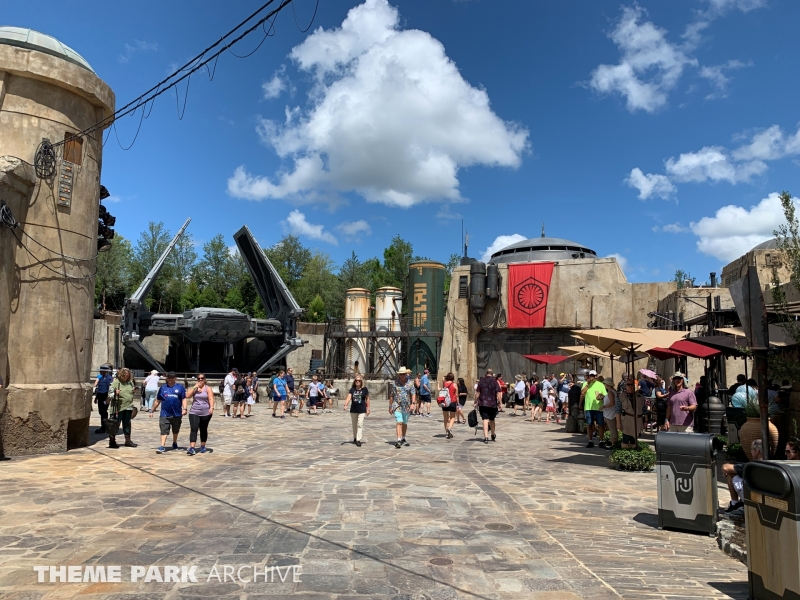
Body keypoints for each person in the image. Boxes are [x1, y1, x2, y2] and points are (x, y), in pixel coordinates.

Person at [150, 371, 187, 454]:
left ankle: (174, 442)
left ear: (175, 378)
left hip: (177, 413)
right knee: (164, 430)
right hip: (165, 413)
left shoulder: (180, 387)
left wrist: (185, 409)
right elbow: (158, 400)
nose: (170, 379)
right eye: (169, 377)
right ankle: (162, 446)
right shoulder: (163, 388)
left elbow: (184, 398)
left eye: (172, 378)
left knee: (175, 429)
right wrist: (152, 410)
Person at [722, 439, 763, 512]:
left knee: (730, 474)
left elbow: (725, 468)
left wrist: (724, 470)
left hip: (751, 496)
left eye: (752, 449)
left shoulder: (751, 466)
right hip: (763, 496)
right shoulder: (769, 463)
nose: (751, 451)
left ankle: (734, 503)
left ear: (757, 451)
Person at [108, 367, 138, 449]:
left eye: (128, 375)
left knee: (127, 424)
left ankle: (128, 441)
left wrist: (133, 391)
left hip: (128, 407)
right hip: (117, 408)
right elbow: (109, 395)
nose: (126, 377)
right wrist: (115, 393)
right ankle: (112, 441)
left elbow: (130, 393)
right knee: (114, 424)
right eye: (125, 375)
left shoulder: (130, 383)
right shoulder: (115, 383)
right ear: (121, 375)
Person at [185, 373, 214, 455]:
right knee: (194, 429)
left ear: (205, 379)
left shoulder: (208, 388)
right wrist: (195, 387)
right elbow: (187, 396)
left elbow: (211, 398)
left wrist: (211, 407)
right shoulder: (195, 388)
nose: (200, 380)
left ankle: (203, 446)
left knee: (203, 429)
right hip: (194, 411)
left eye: (202, 378)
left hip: (205, 412)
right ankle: (192, 448)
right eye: (199, 378)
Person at [389, 367, 416, 448]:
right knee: (399, 421)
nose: (402, 376)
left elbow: (413, 393)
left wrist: (413, 403)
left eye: (403, 374)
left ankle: (403, 438)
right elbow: (391, 395)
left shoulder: (410, 383)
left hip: (407, 406)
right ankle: (399, 439)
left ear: (406, 374)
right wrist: (390, 406)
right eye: (401, 374)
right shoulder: (395, 383)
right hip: (397, 405)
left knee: (404, 422)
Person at [581, 370, 606, 448]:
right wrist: (588, 384)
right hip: (589, 407)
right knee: (589, 424)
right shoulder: (585, 384)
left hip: (598, 407)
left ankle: (601, 441)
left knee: (601, 424)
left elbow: (605, 395)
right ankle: (590, 440)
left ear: (596, 376)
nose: (591, 377)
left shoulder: (601, 384)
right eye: (590, 375)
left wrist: (600, 397)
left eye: (593, 375)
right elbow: (582, 393)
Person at [475, 368, 501, 443]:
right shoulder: (495, 381)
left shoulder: (481, 381)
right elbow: (498, 393)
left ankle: (486, 437)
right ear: (492, 374)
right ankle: (492, 434)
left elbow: (477, 393)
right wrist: (500, 402)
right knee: (492, 419)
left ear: (486, 373)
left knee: (485, 419)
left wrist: (475, 401)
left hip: (483, 403)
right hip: (492, 403)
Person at [343, 376, 370, 446]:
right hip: (353, 410)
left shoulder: (365, 389)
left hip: (362, 410)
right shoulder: (352, 389)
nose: (357, 381)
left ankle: (358, 439)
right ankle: (355, 438)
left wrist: (368, 408)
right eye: (356, 380)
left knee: (360, 424)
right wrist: (345, 404)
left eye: (359, 380)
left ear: (361, 382)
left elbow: (367, 399)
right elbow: (349, 397)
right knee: (354, 425)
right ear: (354, 382)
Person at [92, 365, 114, 434]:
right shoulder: (101, 378)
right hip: (100, 397)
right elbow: (99, 389)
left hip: (105, 397)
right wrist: (96, 398)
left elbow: (110, 389)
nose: (100, 371)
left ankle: (104, 427)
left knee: (104, 412)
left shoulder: (109, 378)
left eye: (101, 370)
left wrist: (108, 398)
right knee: (101, 412)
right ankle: (103, 426)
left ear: (105, 371)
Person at [439, 372, 458, 439]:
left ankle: (447, 433)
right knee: (453, 417)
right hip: (452, 402)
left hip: (445, 403)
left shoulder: (444, 384)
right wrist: (457, 404)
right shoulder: (454, 384)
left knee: (445, 418)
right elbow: (456, 395)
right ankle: (449, 428)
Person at [602, 377, 619, 448]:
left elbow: (612, 403)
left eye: (605, 384)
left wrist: (603, 407)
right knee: (613, 429)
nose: (604, 385)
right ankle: (613, 443)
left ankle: (614, 445)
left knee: (612, 429)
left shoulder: (611, 392)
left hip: (611, 414)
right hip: (611, 413)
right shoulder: (613, 391)